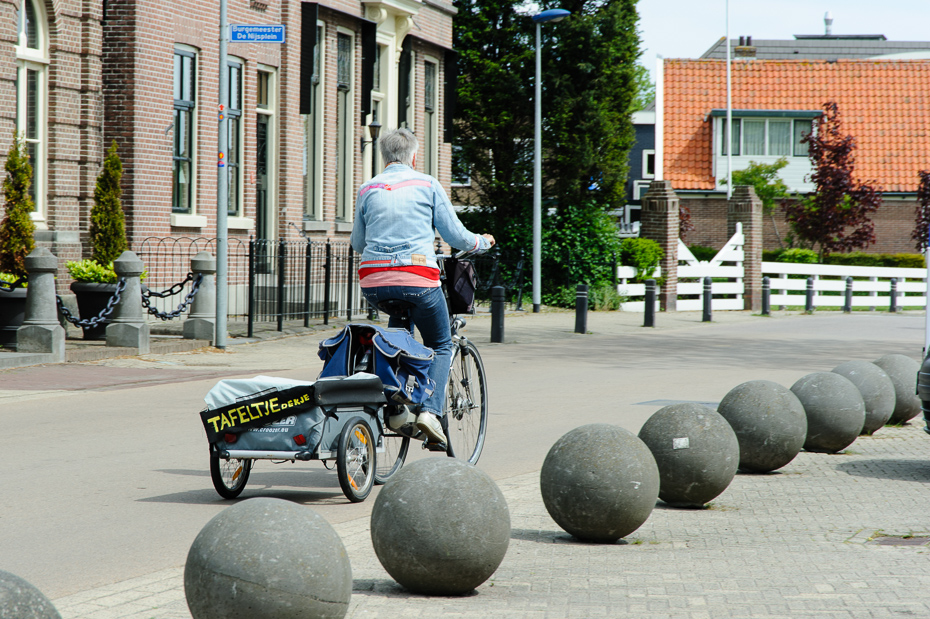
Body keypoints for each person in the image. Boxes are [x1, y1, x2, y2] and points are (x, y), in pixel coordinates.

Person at [350, 128, 494, 445]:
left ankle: (398, 405)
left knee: (398, 339)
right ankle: (429, 411)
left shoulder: (367, 188)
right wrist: (481, 242)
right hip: (417, 279)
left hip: (373, 284)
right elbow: (456, 236)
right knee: (441, 344)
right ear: (413, 156)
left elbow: (358, 243)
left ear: (384, 157)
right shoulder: (427, 183)